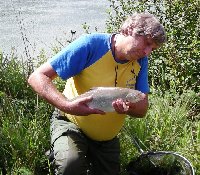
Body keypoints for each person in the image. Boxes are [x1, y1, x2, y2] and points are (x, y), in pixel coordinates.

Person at [28, 12, 166, 175]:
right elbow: (37, 77)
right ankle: (61, 151)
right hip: (71, 123)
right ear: (130, 29)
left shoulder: (141, 61)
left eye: (153, 49)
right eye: (147, 43)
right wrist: (67, 106)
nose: (147, 52)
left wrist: (128, 108)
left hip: (106, 139)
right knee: (70, 167)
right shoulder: (92, 45)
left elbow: (142, 109)